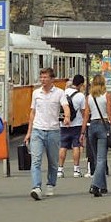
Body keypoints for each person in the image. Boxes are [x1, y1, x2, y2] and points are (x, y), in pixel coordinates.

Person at [24, 67, 68, 200]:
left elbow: (65, 106)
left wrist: (67, 117)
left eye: (45, 77)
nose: (42, 80)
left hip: (53, 131)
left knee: (53, 161)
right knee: (36, 160)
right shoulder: (36, 93)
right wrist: (29, 132)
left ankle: (51, 184)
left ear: (52, 79)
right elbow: (33, 112)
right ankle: (36, 187)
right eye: (41, 77)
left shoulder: (60, 93)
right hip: (38, 130)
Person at [79, 74, 111, 197]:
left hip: (92, 127)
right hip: (103, 126)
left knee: (97, 159)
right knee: (102, 159)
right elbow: (110, 114)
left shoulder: (89, 97)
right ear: (103, 84)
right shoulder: (106, 96)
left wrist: (82, 133)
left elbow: (86, 115)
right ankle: (95, 185)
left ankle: (103, 187)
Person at [58, 74, 86, 178]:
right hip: (77, 125)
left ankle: (60, 170)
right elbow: (84, 112)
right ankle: (76, 170)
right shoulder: (80, 96)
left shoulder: (63, 93)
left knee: (63, 146)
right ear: (81, 84)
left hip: (64, 124)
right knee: (76, 146)